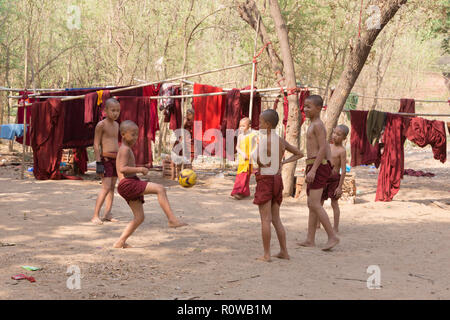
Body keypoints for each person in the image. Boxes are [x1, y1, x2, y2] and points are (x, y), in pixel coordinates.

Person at [114, 120, 187, 248]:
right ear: (123, 134)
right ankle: (172, 220)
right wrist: (140, 169)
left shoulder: (126, 149)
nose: (135, 137)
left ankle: (120, 242)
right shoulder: (124, 149)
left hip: (128, 183)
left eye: (137, 135)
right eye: (133, 134)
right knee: (160, 189)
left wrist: (138, 170)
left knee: (139, 217)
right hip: (127, 183)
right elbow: (122, 169)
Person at [252, 109, 304, 262]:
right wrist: (284, 162)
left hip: (266, 180)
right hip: (277, 179)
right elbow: (299, 153)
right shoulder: (280, 140)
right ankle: (284, 251)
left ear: (267, 125)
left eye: (261, 122)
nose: (259, 124)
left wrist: (259, 156)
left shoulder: (264, 140)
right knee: (276, 219)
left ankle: (267, 254)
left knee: (265, 220)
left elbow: (260, 161)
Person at [299, 95, 340, 251]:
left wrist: (315, 169)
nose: (306, 109)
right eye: (305, 106)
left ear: (319, 108)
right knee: (311, 204)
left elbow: (323, 147)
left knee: (315, 203)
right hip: (313, 165)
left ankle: (332, 236)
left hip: (318, 165)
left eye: (309, 106)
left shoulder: (318, 125)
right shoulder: (311, 125)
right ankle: (310, 239)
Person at [91, 98, 121, 225]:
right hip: (106, 159)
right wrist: (99, 163)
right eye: (113, 110)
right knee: (106, 187)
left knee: (112, 187)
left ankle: (107, 213)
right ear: (105, 110)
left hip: (116, 159)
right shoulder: (101, 125)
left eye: (118, 111)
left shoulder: (117, 125)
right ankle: (95, 215)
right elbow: (96, 144)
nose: (115, 113)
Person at [317, 125, 349, 233]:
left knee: (334, 203)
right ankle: (317, 224)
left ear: (344, 138)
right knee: (320, 201)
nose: (335, 136)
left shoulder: (342, 151)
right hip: (324, 177)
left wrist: (340, 187)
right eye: (334, 133)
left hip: (335, 180)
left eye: (338, 135)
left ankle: (335, 227)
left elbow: (343, 170)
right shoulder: (328, 146)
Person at [231, 117, 256, 200]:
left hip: (249, 160)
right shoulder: (240, 136)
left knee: (246, 177)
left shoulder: (252, 136)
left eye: (243, 126)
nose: (241, 128)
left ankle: (242, 193)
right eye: (240, 126)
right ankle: (240, 192)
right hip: (242, 160)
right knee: (241, 176)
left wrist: (252, 154)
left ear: (249, 126)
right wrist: (242, 153)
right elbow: (237, 147)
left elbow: (257, 146)